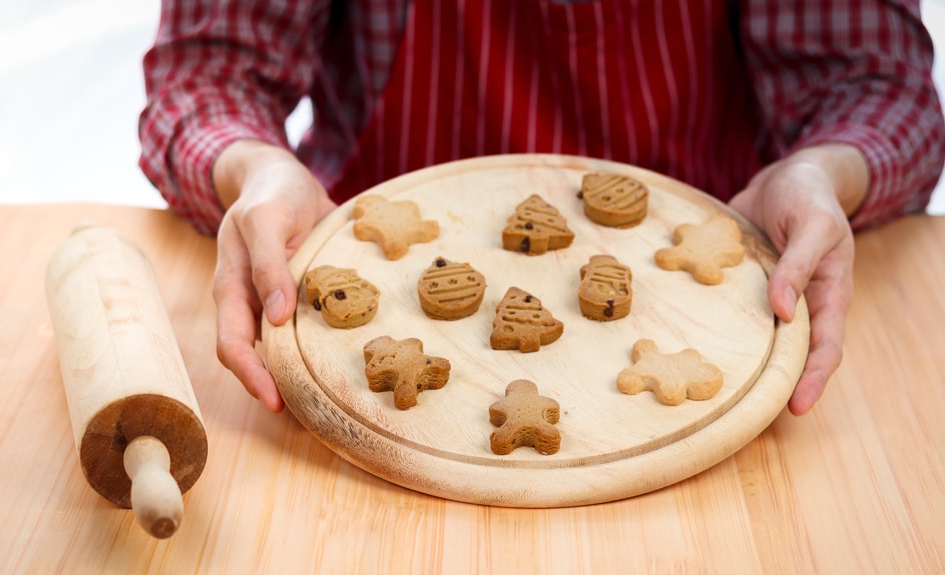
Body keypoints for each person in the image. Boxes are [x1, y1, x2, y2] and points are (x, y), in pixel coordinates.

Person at [139, 0, 945, 416]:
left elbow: (874, 87)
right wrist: (255, 168)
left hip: (712, 311)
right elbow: (207, 78)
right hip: (370, 305)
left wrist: (823, 172)